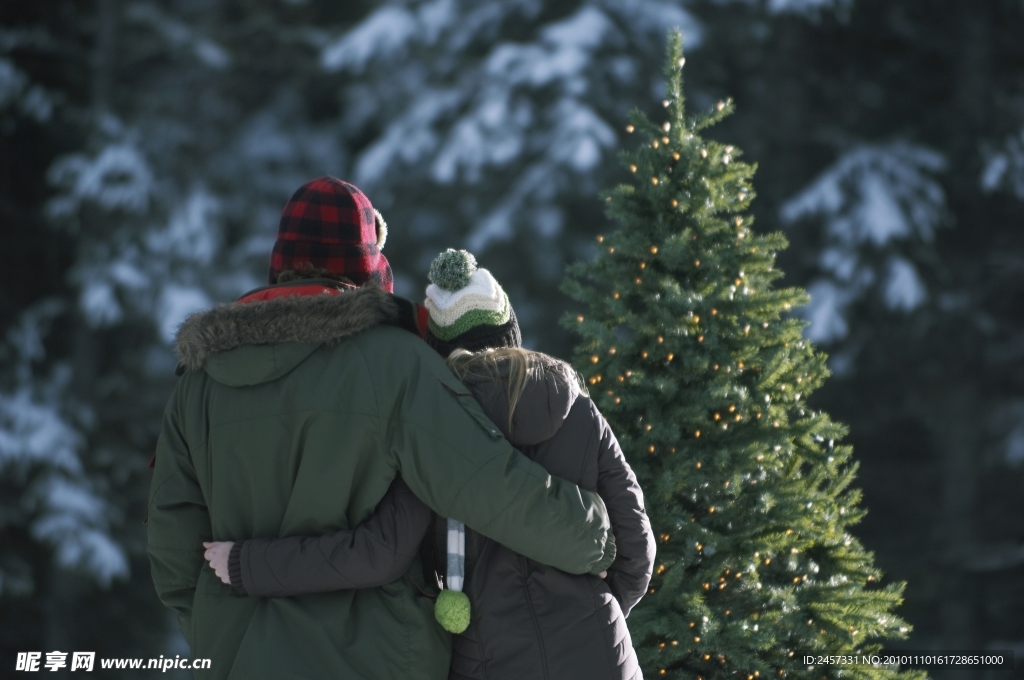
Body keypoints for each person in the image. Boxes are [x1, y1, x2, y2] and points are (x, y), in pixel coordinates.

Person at [147, 178, 617, 680]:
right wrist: (593, 534)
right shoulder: (396, 364)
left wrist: (226, 635)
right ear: (366, 263)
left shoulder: (198, 384)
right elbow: (486, 484)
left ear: (280, 259)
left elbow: (174, 559)